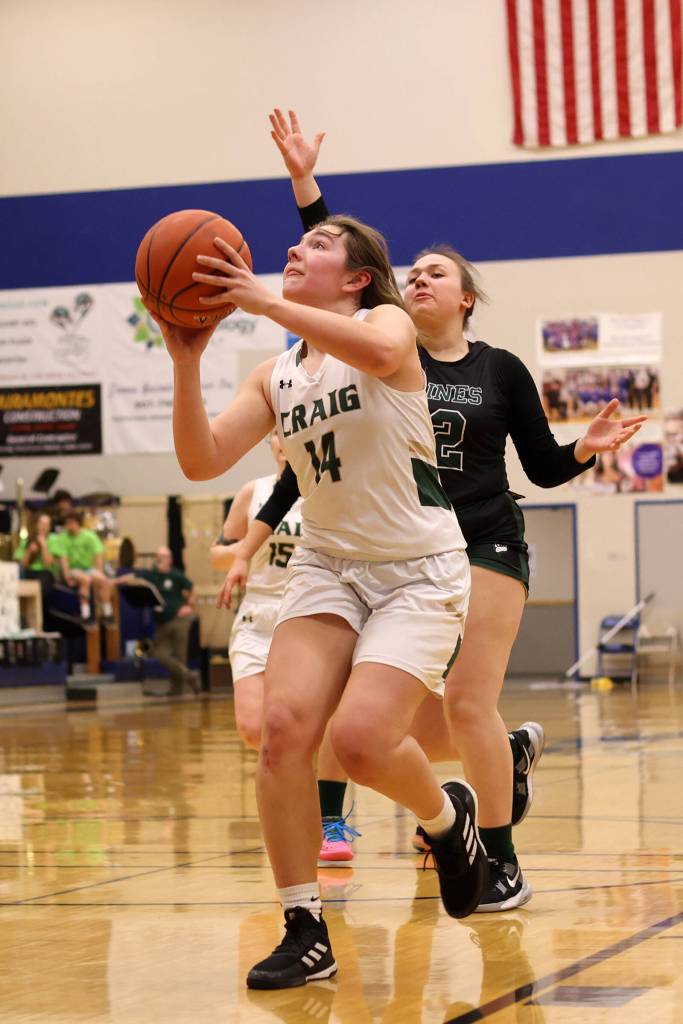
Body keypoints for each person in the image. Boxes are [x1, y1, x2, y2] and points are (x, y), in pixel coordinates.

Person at [224, 108, 647, 913]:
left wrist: (587, 447)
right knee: (392, 729)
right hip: (381, 548)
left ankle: (501, 857)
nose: (417, 279)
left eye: (435, 274)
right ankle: (506, 759)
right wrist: (305, 185)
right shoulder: (381, 344)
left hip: (480, 542)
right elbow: (342, 259)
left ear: (466, 300)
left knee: (464, 702)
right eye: (408, 273)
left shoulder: (502, 368)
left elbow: (546, 469)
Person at [157, 207, 488, 989]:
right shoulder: (275, 373)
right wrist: (183, 360)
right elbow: (201, 460)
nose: (291, 249)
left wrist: (261, 303)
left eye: (314, 244)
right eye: (297, 242)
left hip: (418, 567)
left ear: (357, 277)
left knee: (365, 741)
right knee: (282, 731)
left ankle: (448, 819)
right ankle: (304, 924)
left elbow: (376, 349)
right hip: (328, 566)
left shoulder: (387, 326)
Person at [210, 429, 303, 748]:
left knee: (304, 725)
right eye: (277, 434)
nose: (283, 441)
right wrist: (241, 555)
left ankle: (323, 794)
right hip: (258, 612)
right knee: (253, 728)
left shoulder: (327, 491)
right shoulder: (254, 491)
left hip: (305, 614)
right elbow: (217, 554)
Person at [117, 546, 200, 697]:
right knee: (160, 654)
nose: (159, 559)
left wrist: (189, 606)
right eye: (158, 556)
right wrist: (114, 581)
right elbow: (132, 576)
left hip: (180, 620)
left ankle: (176, 692)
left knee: (180, 656)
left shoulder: (176, 575)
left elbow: (193, 589)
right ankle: (189, 676)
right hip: (162, 623)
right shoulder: (152, 575)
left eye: (163, 556)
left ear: (169, 559)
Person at [56, 510, 116, 624]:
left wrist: (99, 573)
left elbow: (98, 554)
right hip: (74, 569)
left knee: (103, 581)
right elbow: (63, 559)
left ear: (78, 523)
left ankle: (107, 613)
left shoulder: (89, 536)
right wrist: (67, 576)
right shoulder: (63, 538)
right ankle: (85, 614)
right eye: (67, 523)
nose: (69, 526)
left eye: (71, 522)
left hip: (89, 568)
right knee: (85, 580)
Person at [13, 511, 60, 607]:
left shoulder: (54, 539)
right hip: (28, 571)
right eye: (41, 523)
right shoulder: (27, 540)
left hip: (46, 572)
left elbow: (48, 563)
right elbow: (22, 565)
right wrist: (29, 552)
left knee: (42, 586)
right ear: (36, 524)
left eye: (47, 524)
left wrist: (43, 546)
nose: (43, 527)